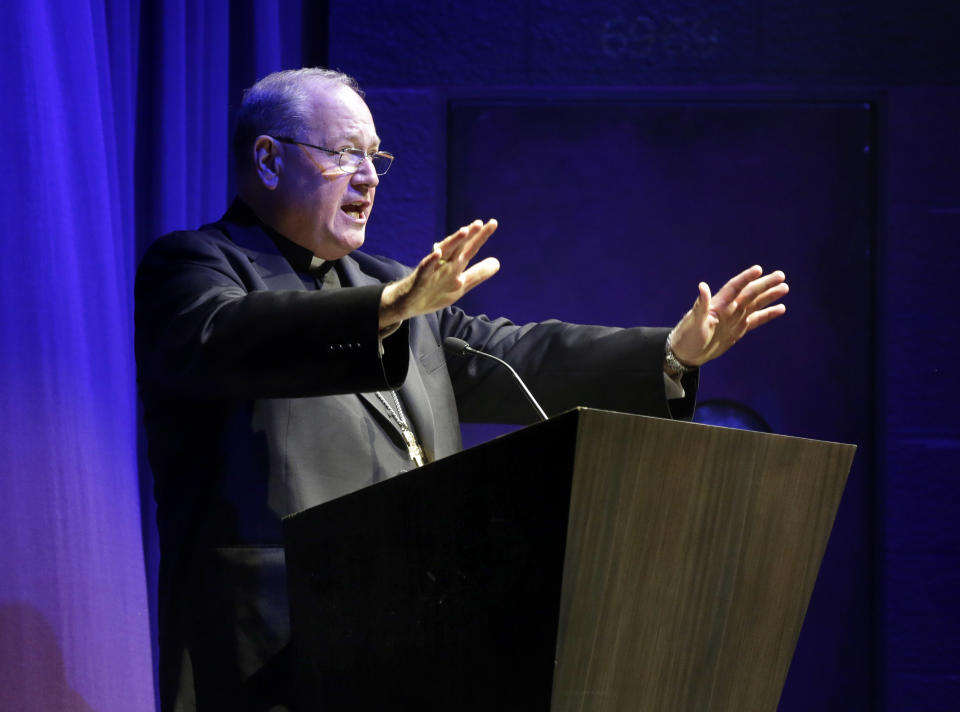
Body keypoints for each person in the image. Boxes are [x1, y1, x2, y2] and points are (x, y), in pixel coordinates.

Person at [135, 67, 788, 711]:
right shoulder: (194, 266)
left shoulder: (388, 281)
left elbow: (512, 353)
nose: (367, 177)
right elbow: (224, 337)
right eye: (344, 154)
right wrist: (386, 311)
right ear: (270, 160)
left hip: (414, 641)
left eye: (373, 157)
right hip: (268, 652)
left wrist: (669, 354)